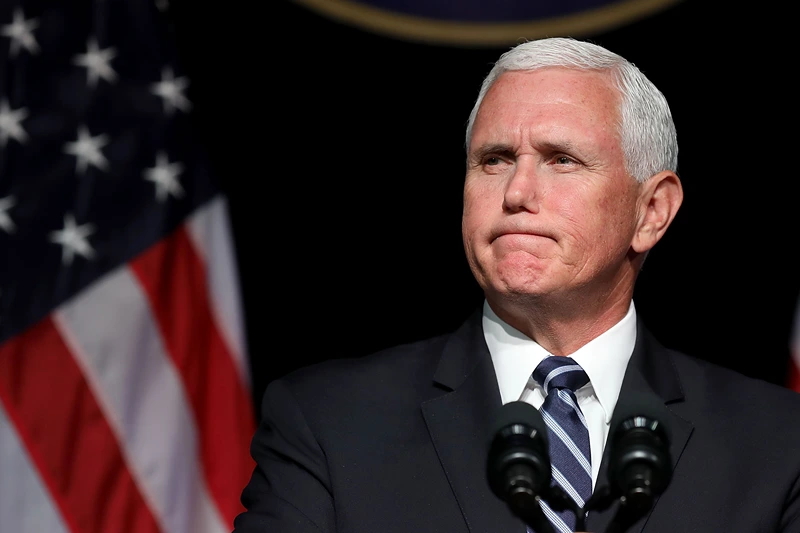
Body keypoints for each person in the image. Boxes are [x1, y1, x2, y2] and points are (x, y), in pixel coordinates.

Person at [233, 37, 800, 533]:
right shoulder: (329, 422)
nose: (517, 191)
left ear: (652, 211)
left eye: (561, 160)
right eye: (495, 159)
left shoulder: (777, 443)